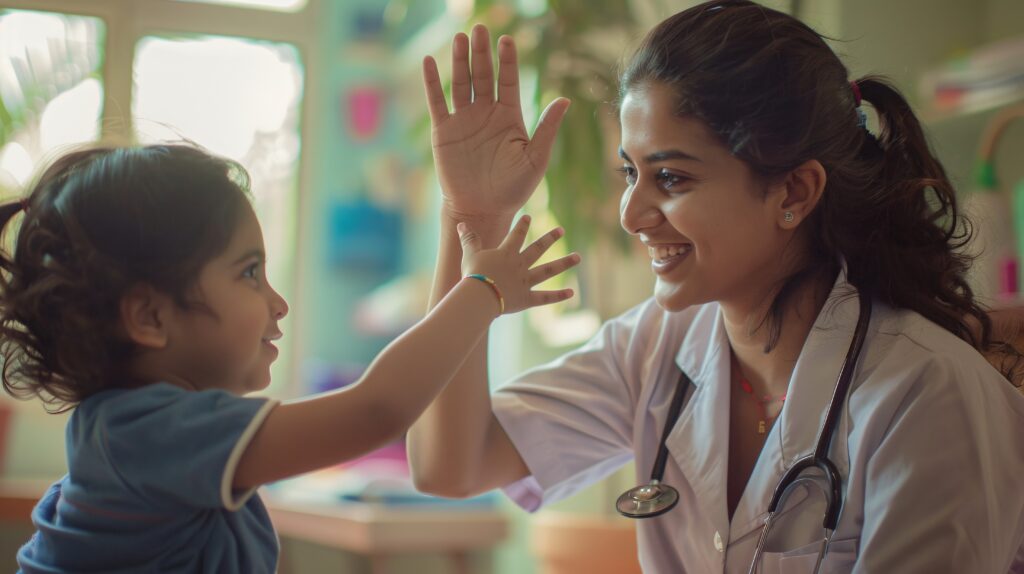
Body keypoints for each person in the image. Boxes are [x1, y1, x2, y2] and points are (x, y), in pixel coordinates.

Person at [407, 1, 1024, 572]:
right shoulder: (655, 343)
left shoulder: (922, 391)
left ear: (794, 193)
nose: (631, 213)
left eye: (671, 177)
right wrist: (470, 219)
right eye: (630, 172)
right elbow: (451, 464)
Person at [3, 143, 579, 573]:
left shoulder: (138, 434)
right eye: (249, 273)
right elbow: (374, 410)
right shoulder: (143, 432)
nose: (277, 303)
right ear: (150, 317)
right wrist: (482, 291)